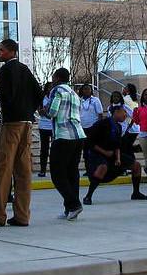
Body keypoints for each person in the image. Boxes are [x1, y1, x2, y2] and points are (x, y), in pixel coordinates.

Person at [0, 39, 43, 227]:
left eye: (1, 50)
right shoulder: (24, 69)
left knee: (4, 168)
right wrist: (29, 109)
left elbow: (5, 96)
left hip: (11, 123)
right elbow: (39, 93)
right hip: (27, 122)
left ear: (11, 52)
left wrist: (6, 111)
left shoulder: (5, 70)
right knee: (24, 170)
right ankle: (22, 215)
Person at [82, 105, 147, 205]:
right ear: (116, 112)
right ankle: (88, 196)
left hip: (112, 154)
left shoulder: (118, 126)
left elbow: (117, 145)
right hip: (97, 154)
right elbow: (89, 142)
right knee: (102, 167)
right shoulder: (102, 124)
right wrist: (105, 152)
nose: (126, 115)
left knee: (136, 166)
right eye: (124, 112)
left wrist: (118, 158)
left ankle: (136, 193)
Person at [45, 68, 86, 221]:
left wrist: (44, 110)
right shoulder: (74, 93)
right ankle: (70, 209)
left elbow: (53, 112)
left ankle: (74, 204)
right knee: (72, 172)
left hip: (63, 135)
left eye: (53, 76)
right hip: (78, 135)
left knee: (57, 174)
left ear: (57, 77)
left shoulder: (57, 91)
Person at [78, 83, 103, 175]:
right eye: (85, 89)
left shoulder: (95, 100)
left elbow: (100, 114)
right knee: (85, 149)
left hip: (93, 128)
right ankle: (88, 169)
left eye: (88, 89)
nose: (86, 91)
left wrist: (99, 128)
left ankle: (95, 168)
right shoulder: (79, 100)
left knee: (94, 149)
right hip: (82, 128)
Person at [37, 82, 54, 178]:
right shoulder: (42, 98)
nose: (50, 89)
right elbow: (40, 112)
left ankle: (54, 170)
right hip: (44, 126)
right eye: (49, 87)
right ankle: (42, 170)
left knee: (54, 150)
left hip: (54, 126)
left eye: (52, 87)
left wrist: (46, 111)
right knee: (44, 149)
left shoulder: (56, 97)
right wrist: (44, 111)